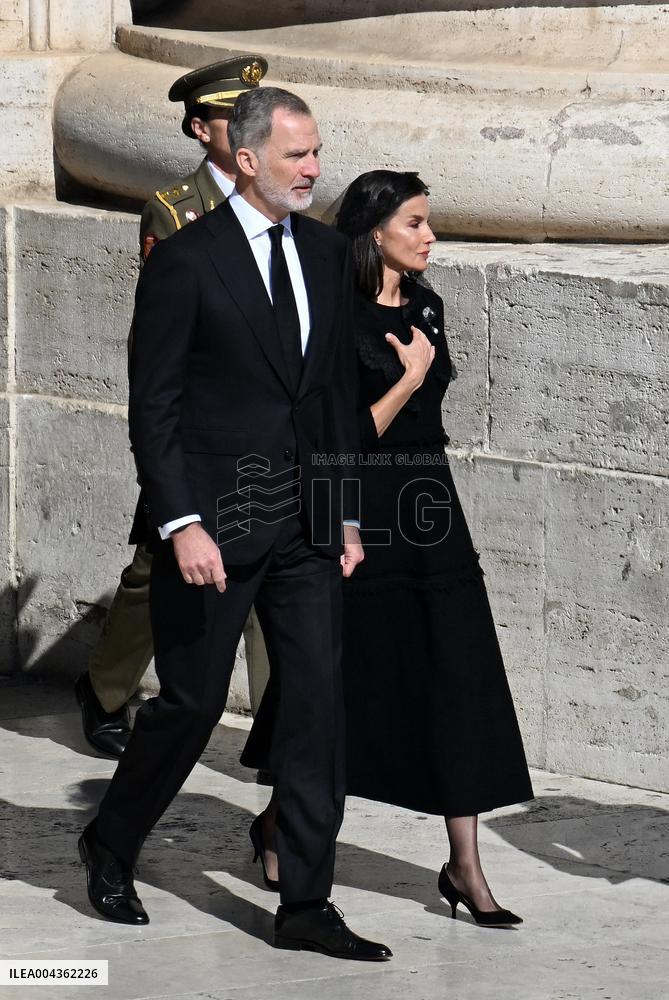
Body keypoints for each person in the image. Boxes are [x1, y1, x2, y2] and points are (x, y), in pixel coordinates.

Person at [77, 87, 391, 962]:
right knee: (190, 704)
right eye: (297, 155)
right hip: (211, 523)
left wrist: (346, 516)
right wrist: (181, 523)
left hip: (307, 528)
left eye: (317, 152)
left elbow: (331, 395)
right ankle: (110, 840)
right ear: (246, 159)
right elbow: (156, 407)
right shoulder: (185, 259)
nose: (314, 169)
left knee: (316, 712)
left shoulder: (330, 255)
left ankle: (306, 903)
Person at [243, 169, 534, 927]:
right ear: (374, 233)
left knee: (457, 674)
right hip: (358, 509)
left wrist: (416, 388)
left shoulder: (428, 305)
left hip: (429, 506)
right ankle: (280, 822)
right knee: (344, 681)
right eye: (414, 223)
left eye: (428, 221)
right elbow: (336, 438)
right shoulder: (335, 317)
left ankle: (465, 865)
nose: (429, 236)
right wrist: (405, 382)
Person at [75, 56, 272, 758]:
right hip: (195, 425)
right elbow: (162, 340)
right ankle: (104, 688)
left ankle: (275, 729)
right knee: (157, 569)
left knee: (266, 573)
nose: (250, 120)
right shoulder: (176, 210)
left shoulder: (281, 201)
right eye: (230, 113)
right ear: (200, 128)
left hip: (268, 425)